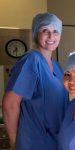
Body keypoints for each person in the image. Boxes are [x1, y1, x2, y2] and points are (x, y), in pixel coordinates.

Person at [2, 13, 69, 149]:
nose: (51, 36)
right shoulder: (31, 60)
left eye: (55, 31)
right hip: (34, 142)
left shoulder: (56, 66)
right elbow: (10, 105)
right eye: (45, 31)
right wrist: (15, 143)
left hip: (55, 141)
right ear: (36, 33)